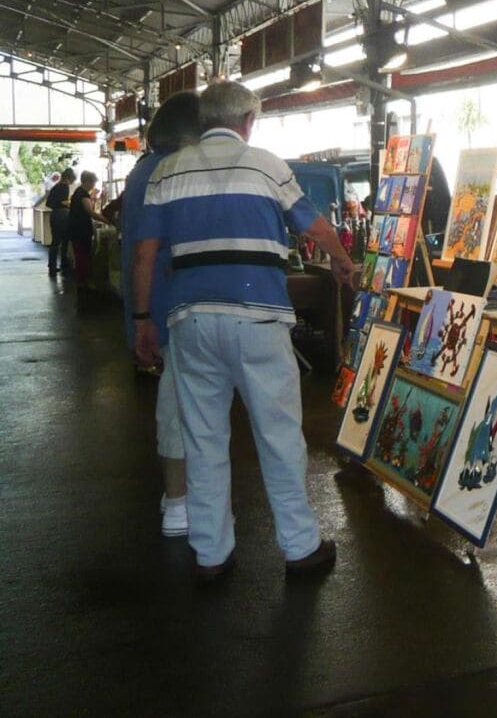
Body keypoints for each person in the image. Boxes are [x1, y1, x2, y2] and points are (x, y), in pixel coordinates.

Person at [132, 81, 354, 583]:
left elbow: (145, 253)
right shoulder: (267, 165)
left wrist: (143, 320)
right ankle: (299, 548)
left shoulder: (167, 171)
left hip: (190, 320)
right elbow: (314, 228)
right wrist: (341, 262)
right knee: (277, 434)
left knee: (204, 438)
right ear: (248, 121)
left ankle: (211, 554)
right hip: (258, 316)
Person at [120, 92, 203, 538]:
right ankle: (180, 504)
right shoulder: (170, 172)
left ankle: (178, 500)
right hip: (172, 307)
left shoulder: (141, 172)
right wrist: (145, 317)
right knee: (181, 407)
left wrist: (137, 317)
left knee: (177, 403)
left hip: (154, 306)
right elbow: (148, 254)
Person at [68, 170, 108, 286]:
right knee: (83, 254)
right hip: (80, 229)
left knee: (81, 254)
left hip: (77, 228)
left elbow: (90, 209)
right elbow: (91, 212)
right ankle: (84, 280)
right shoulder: (82, 194)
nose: (93, 185)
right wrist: (107, 220)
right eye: (93, 183)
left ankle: (82, 280)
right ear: (87, 181)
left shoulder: (79, 193)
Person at [46, 167, 75, 276]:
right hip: (62, 215)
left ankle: (52, 265)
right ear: (68, 178)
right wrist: (67, 203)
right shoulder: (64, 187)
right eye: (71, 180)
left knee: (55, 241)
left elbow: (48, 203)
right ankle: (63, 262)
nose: (70, 183)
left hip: (54, 215)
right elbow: (64, 202)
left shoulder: (56, 187)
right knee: (65, 240)